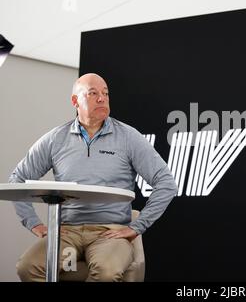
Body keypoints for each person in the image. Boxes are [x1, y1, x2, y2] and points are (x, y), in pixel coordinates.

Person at [9, 73, 178, 282]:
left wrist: (137, 227)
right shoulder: (55, 139)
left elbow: (166, 183)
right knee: (28, 267)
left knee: (106, 271)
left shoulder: (128, 137)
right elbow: (18, 178)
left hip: (109, 232)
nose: (102, 98)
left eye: (105, 94)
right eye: (93, 93)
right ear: (75, 101)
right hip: (66, 233)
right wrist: (34, 223)